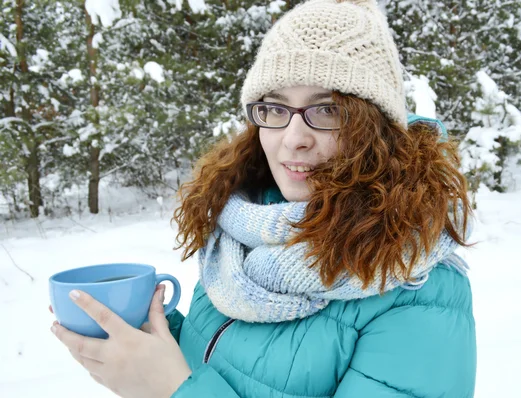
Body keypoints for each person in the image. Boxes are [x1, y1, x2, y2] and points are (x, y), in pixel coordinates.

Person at [50, 0, 477, 396]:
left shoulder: (418, 291)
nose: (293, 139)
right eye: (274, 108)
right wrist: (152, 338)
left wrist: (172, 388)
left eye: (326, 110)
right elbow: (234, 365)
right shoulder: (244, 235)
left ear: (376, 129)